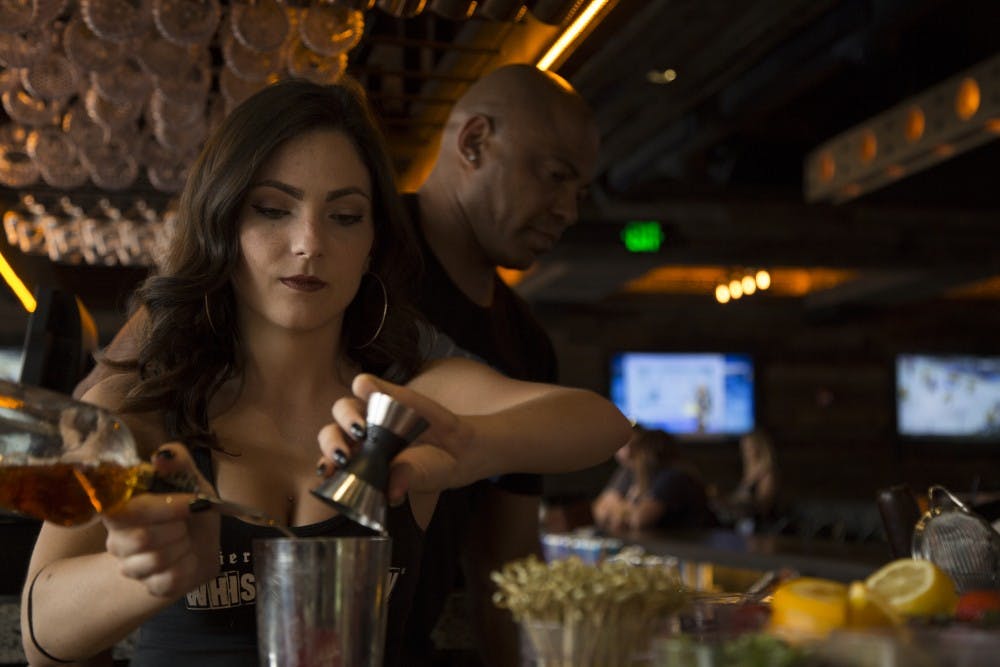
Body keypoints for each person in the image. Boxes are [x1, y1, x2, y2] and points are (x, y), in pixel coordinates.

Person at [21, 79, 631, 667]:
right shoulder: (144, 410)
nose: (310, 242)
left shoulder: (408, 396)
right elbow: (38, 632)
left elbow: (601, 423)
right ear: (223, 222)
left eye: (344, 216)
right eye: (272, 209)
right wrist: (139, 575)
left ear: (372, 241)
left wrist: (471, 446)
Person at [403, 63, 599, 665]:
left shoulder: (526, 343)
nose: (568, 210)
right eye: (556, 176)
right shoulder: (356, 251)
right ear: (474, 143)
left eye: (579, 192)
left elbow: (504, 556)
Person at [591, 425, 717, 532]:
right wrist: (628, 510)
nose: (630, 455)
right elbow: (600, 511)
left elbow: (639, 520)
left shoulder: (672, 477)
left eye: (637, 450)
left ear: (650, 452)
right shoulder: (633, 472)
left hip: (693, 549)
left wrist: (621, 510)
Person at [729, 429, 779, 522]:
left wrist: (744, 502)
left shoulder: (766, 471)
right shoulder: (749, 471)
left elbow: (765, 504)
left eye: (749, 447)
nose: (746, 452)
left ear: (758, 447)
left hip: (762, 524)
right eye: (744, 448)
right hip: (745, 519)